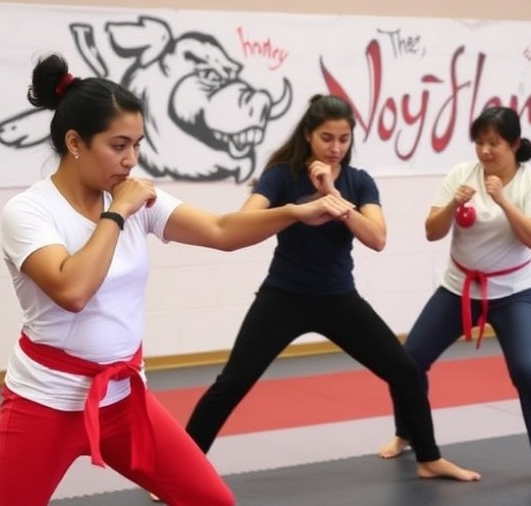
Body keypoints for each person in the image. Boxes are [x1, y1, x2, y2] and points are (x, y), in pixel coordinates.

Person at [0, 53, 356, 506]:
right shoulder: (29, 211)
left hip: (124, 399)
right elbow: (73, 290)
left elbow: (222, 231)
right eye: (118, 145)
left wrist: (296, 213)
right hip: (45, 401)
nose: (130, 160)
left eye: (137, 145)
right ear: (75, 142)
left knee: (213, 500)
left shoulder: (135, 198)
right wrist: (118, 211)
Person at [183, 94, 480, 483]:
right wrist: (295, 208)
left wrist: (332, 195)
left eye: (343, 138)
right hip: (283, 297)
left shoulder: (358, 182)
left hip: (338, 298)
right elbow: (242, 222)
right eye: (327, 138)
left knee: (404, 370)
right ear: (309, 135)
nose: (336, 147)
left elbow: (377, 238)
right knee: (233, 382)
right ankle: (180, 470)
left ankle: (428, 457)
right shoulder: (282, 176)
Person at [377, 106, 531, 484]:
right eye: (480, 142)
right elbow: (431, 232)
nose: (486, 151)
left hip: (514, 292)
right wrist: (454, 204)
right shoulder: (461, 175)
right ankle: (409, 433)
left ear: (515, 145)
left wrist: (504, 200)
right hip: (459, 288)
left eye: (495, 143)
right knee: (409, 361)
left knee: (528, 371)